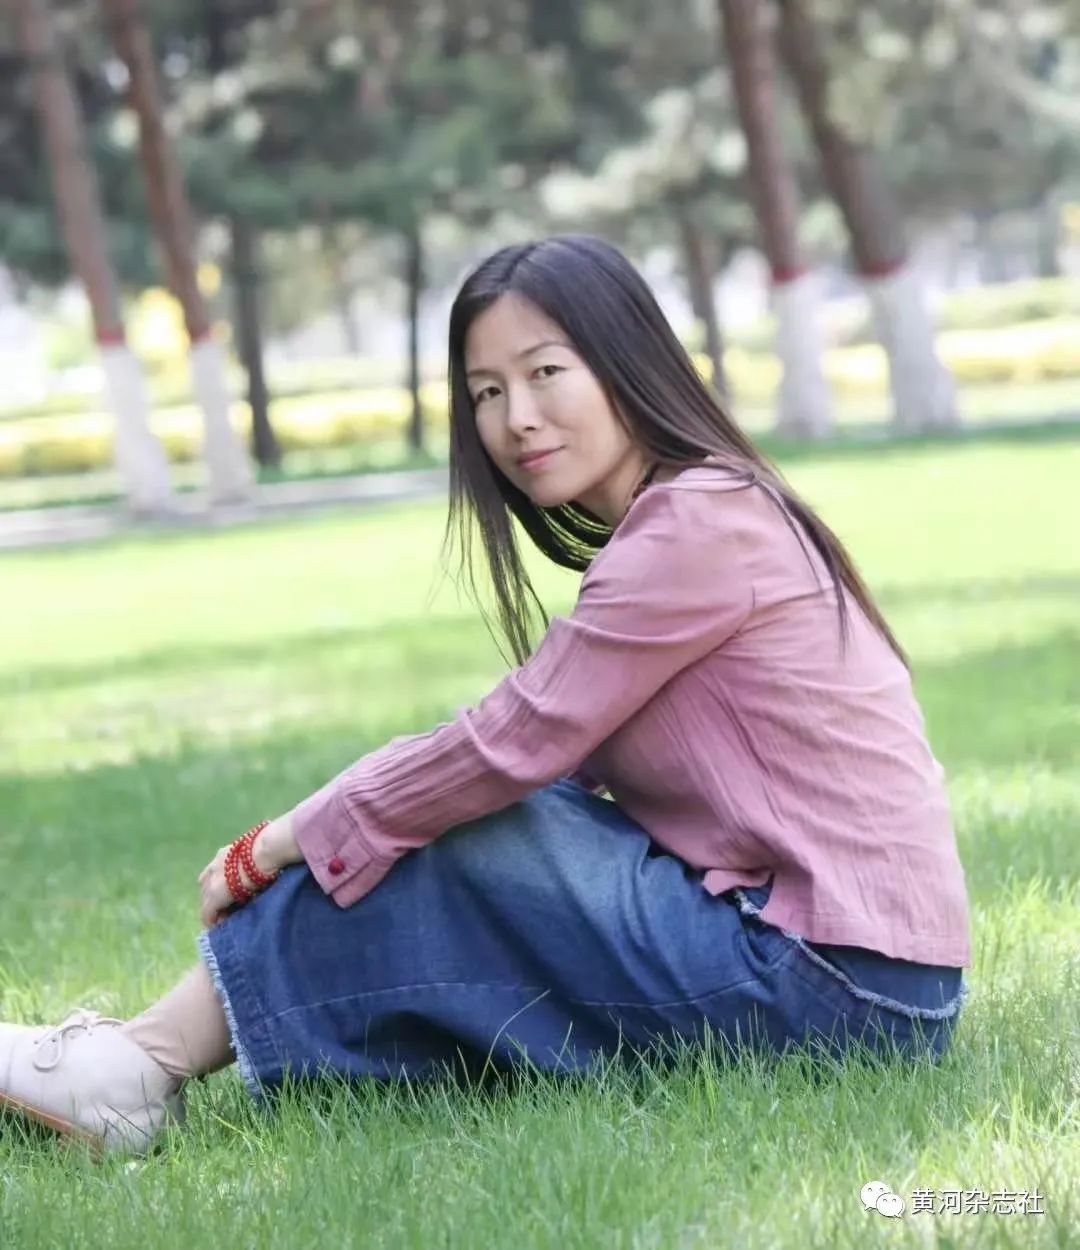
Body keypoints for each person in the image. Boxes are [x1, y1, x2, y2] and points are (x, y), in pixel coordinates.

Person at [0, 235, 970, 1157]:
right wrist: (372, 819)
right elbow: (527, 757)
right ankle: (138, 1062)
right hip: (856, 976)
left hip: (836, 982)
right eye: (488, 393)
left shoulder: (697, 526)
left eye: (546, 373)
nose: (517, 419)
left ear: (626, 361)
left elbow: (509, 746)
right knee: (436, 821)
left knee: (461, 820)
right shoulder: (699, 511)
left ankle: (135, 1067)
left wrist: (282, 840)